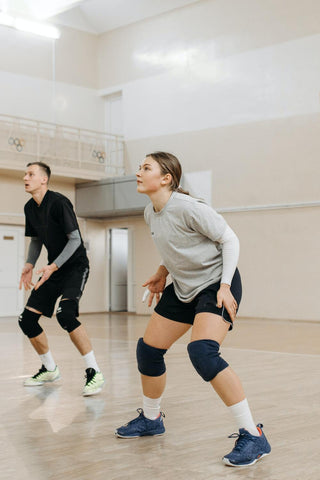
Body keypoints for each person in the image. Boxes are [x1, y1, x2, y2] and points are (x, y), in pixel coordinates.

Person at [115, 152, 271, 467]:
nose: (138, 172)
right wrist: (162, 272)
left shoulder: (189, 207)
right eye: (139, 167)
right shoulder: (151, 212)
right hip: (185, 286)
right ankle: (151, 418)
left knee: (202, 351)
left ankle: (252, 435)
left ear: (166, 178)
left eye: (146, 168)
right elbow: (177, 247)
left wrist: (225, 286)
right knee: (148, 350)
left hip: (216, 283)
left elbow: (230, 240)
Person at [19, 161, 104, 396]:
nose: (25, 177)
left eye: (30, 174)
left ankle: (94, 371)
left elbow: (75, 239)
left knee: (65, 314)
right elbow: (36, 240)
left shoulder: (59, 202)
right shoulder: (30, 208)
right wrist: (29, 264)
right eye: (25, 174)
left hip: (74, 267)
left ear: (44, 179)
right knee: (26, 320)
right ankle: (49, 369)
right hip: (52, 269)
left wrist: (53, 265)